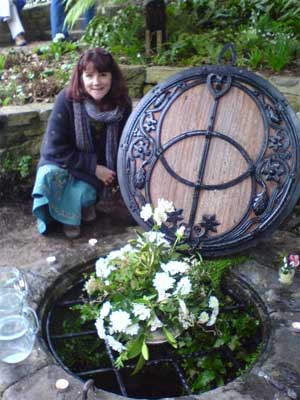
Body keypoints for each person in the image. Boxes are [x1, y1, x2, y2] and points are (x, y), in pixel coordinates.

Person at [32, 47, 132, 238]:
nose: (96, 82)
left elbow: (126, 146)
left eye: (103, 74)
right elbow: (53, 149)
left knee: (85, 192)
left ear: (112, 76)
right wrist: (93, 167)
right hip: (66, 164)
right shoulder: (67, 99)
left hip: (101, 172)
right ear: (81, 77)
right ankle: (64, 218)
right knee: (47, 176)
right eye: (89, 75)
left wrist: (111, 176)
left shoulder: (122, 104)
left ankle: (83, 207)